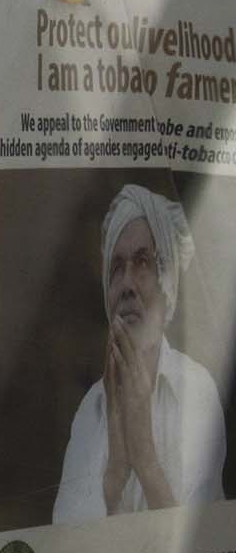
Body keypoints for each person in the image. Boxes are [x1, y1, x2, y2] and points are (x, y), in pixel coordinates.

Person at [53, 184, 225, 522]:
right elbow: (67, 540)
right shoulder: (91, 410)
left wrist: (145, 461)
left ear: (167, 283)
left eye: (143, 262)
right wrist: (114, 476)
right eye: (117, 267)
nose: (128, 285)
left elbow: (201, 542)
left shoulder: (197, 391)